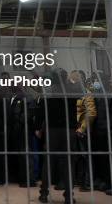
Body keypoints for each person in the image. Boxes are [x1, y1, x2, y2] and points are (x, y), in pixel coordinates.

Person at [36, 71, 76, 204]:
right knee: (68, 163)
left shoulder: (48, 91)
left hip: (52, 130)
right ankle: (69, 196)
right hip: (69, 129)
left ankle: (43, 194)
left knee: (48, 163)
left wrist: (38, 128)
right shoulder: (72, 90)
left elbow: (41, 110)